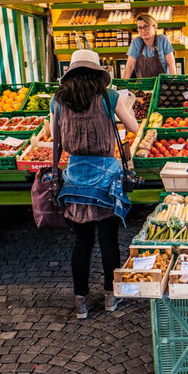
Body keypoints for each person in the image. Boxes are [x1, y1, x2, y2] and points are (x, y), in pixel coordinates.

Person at [52, 49, 139, 318]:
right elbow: (134, 127)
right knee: (109, 241)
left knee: (81, 243)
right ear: (97, 73)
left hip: (75, 178)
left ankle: (81, 302)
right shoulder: (109, 97)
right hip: (106, 181)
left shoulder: (58, 101)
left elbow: (55, 140)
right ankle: (111, 297)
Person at [123, 13, 177, 78]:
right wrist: (124, 85)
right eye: (140, 28)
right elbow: (129, 66)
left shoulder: (162, 40)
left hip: (161, 85)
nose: (143, 30)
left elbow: (171, 65)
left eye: (146, 26)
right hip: (142, 86)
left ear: (155, 27)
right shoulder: (136, 42)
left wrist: (172, 83)